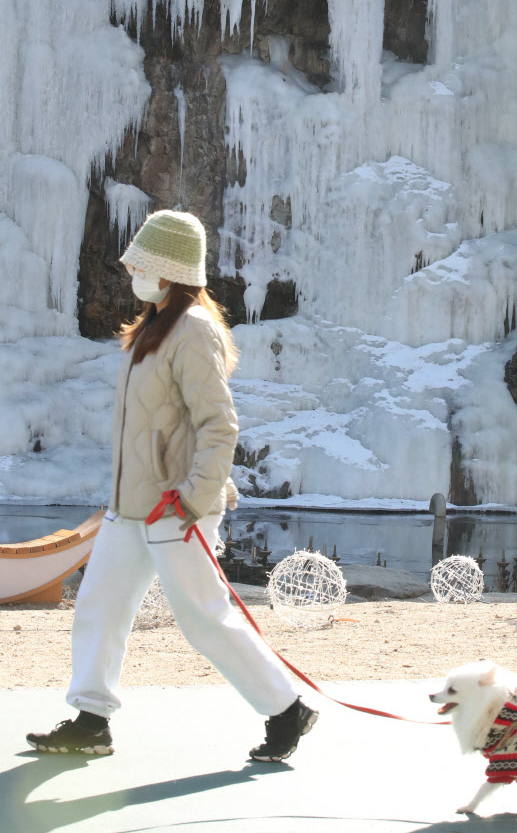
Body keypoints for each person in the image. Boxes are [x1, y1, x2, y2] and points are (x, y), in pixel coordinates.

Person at [26, 209, 318, 761]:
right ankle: (91, 721)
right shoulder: (153, 327)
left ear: (168, 268)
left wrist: (192, 498)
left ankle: (287, 710)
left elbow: (219, 425)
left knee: (203, 618)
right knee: (100, 606)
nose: (129, 263)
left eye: (141, 256)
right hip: (131, 506)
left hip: (175, 507)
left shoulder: (194, 330)